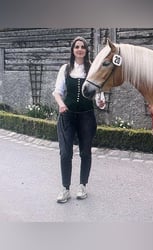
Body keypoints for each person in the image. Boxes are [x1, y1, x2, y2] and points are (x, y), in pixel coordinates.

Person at [53, 36, 105, 203]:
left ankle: (82, 186)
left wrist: (100, 101)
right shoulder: (65, 69)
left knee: (85, 152)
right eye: (77, 47)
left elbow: (98, 93)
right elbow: (57, 92)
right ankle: (65, 188)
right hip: (67, 115)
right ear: (73, 50)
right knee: (65, 153)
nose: (80, 49)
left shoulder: (92, 70)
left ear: (86, 50)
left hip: (86, 116)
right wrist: (61, 104)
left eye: (82, 46)